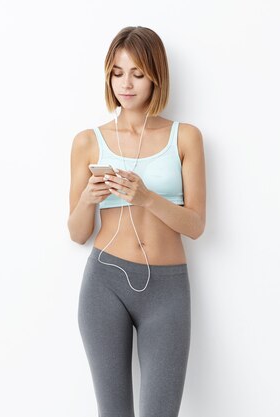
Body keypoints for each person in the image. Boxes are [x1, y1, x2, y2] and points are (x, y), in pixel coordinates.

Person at [67, 26, 206, 416]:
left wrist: (145, 197)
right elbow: (78, 233)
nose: (125, 84)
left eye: (137, 73)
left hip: (167, 290)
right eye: (117, 72)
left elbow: (195, 225)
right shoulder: (87, 141)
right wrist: (88, 200)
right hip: (104, 285)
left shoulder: (186, 137)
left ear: (155, 76)